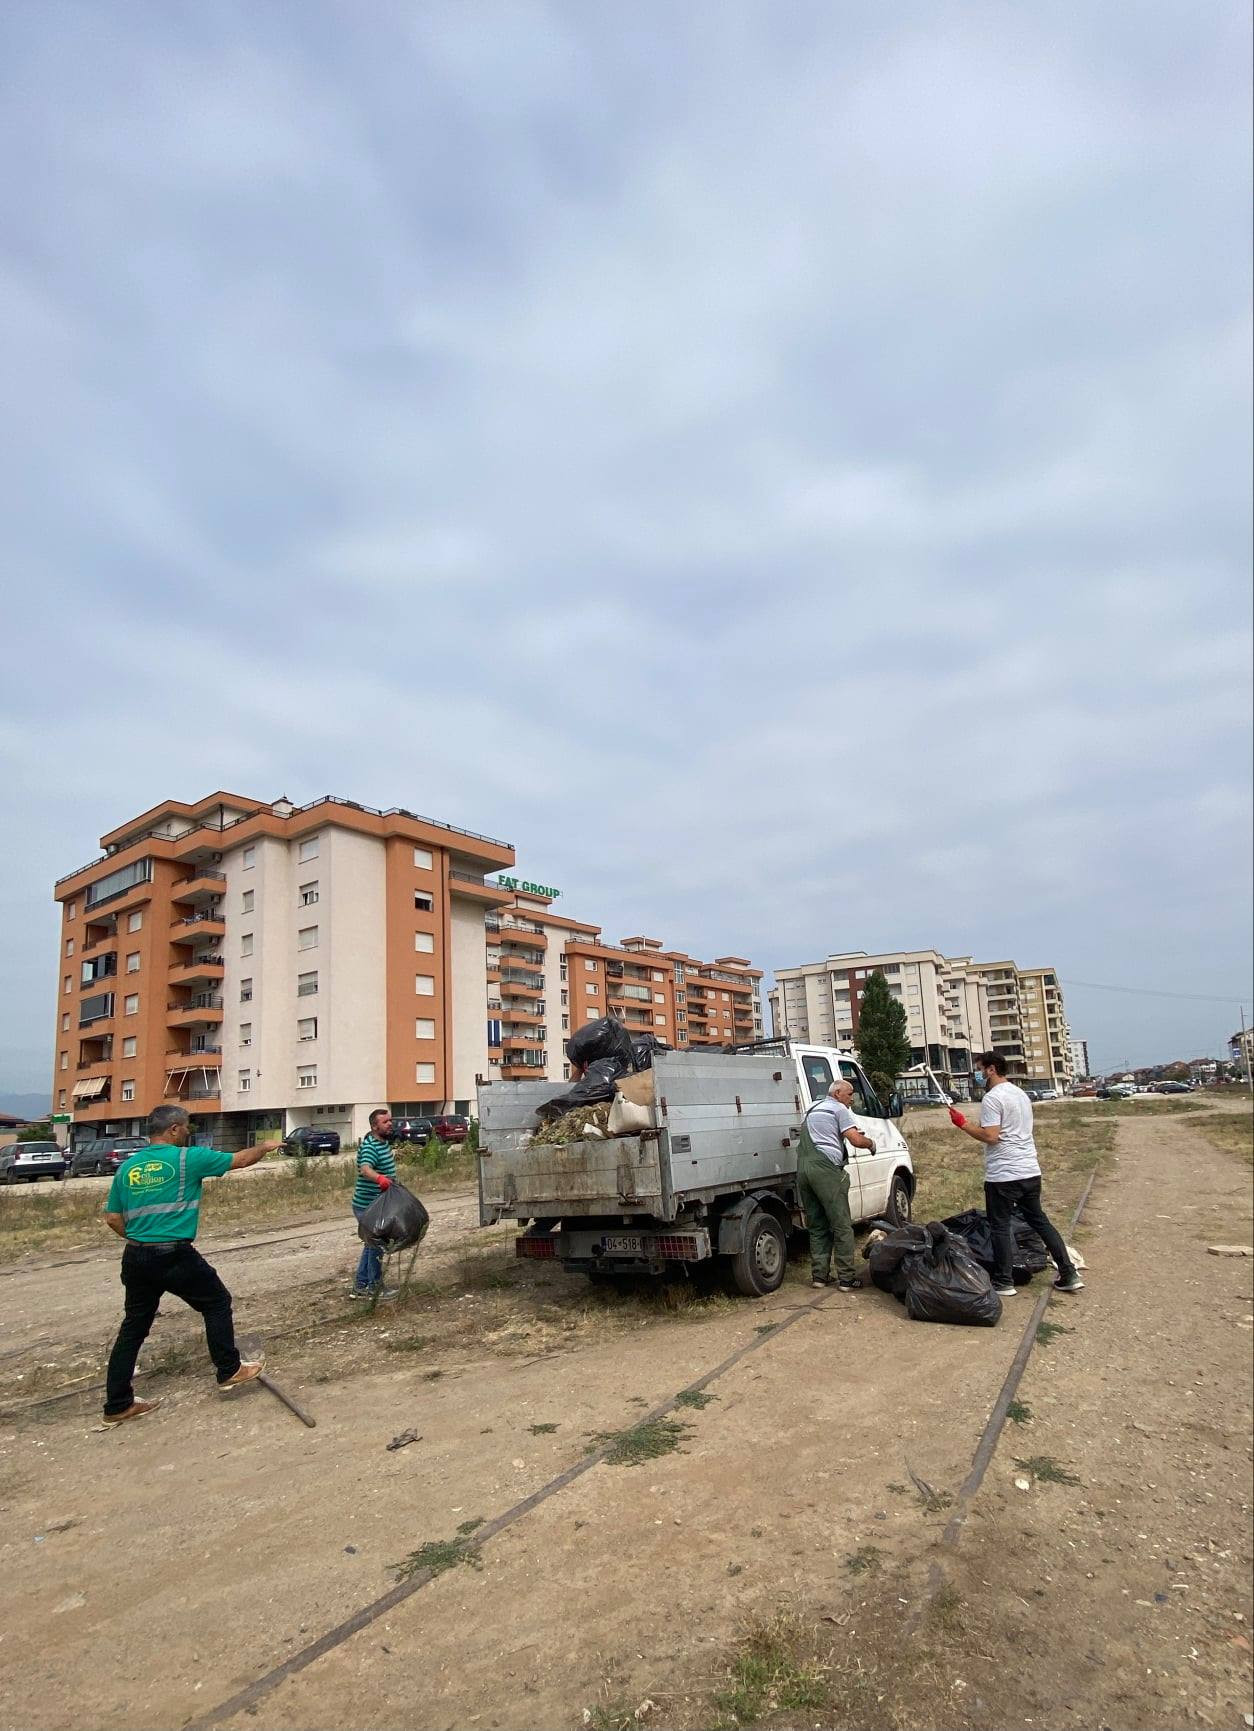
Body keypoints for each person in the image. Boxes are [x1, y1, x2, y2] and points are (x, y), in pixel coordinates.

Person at [101, 1105, 284, 1424]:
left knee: (133, 1327)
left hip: (136, 1255)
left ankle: (118, 1404)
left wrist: (141, 1237)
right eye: (185, 1126)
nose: (188, 1131)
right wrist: (265, 1147)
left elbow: (112, 1217)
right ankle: (229, 1370)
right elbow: (239, 1160)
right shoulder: (188, 1158)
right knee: (216, 1302)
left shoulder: (128, 1168)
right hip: (173, 1253)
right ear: (172, 1129)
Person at [948, 1050, 1084, 1297]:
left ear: (990, 1069)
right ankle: (1068, 1272)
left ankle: (1004, 1281)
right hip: (1029, 1171)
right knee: (1040, 1222)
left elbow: (991, 1136)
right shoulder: (1020, 1094)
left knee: (999, 1226)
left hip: (1003, 1175)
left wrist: (963, 1124)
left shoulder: (993, 1098)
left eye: (979, 1069)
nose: (977, 1075)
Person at [797, 1080, 878, 1290]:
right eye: (850, 1094)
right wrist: (871, 1143)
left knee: (817, 1226)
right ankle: (847, 1279)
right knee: (842, 1225)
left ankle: (819, 1277)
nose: (852, 1098)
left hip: (803, 1170)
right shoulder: (839, 1109)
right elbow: (855, 1140)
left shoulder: (812, 1109)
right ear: (838, 1093)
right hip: (826, 1171)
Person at [350, 1107, 398, 1298]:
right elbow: (365, 1169)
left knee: (371, 1244)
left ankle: (361, 1285)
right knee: (376, 1245)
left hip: (377, 1204)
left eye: (390, 1121)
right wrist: (380, 1179)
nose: (390, 1124)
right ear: (374, 1126)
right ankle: (374, 1287)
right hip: (367, 1206)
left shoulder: (382, 1143)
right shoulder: (370, 1147)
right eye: (385, 1122)